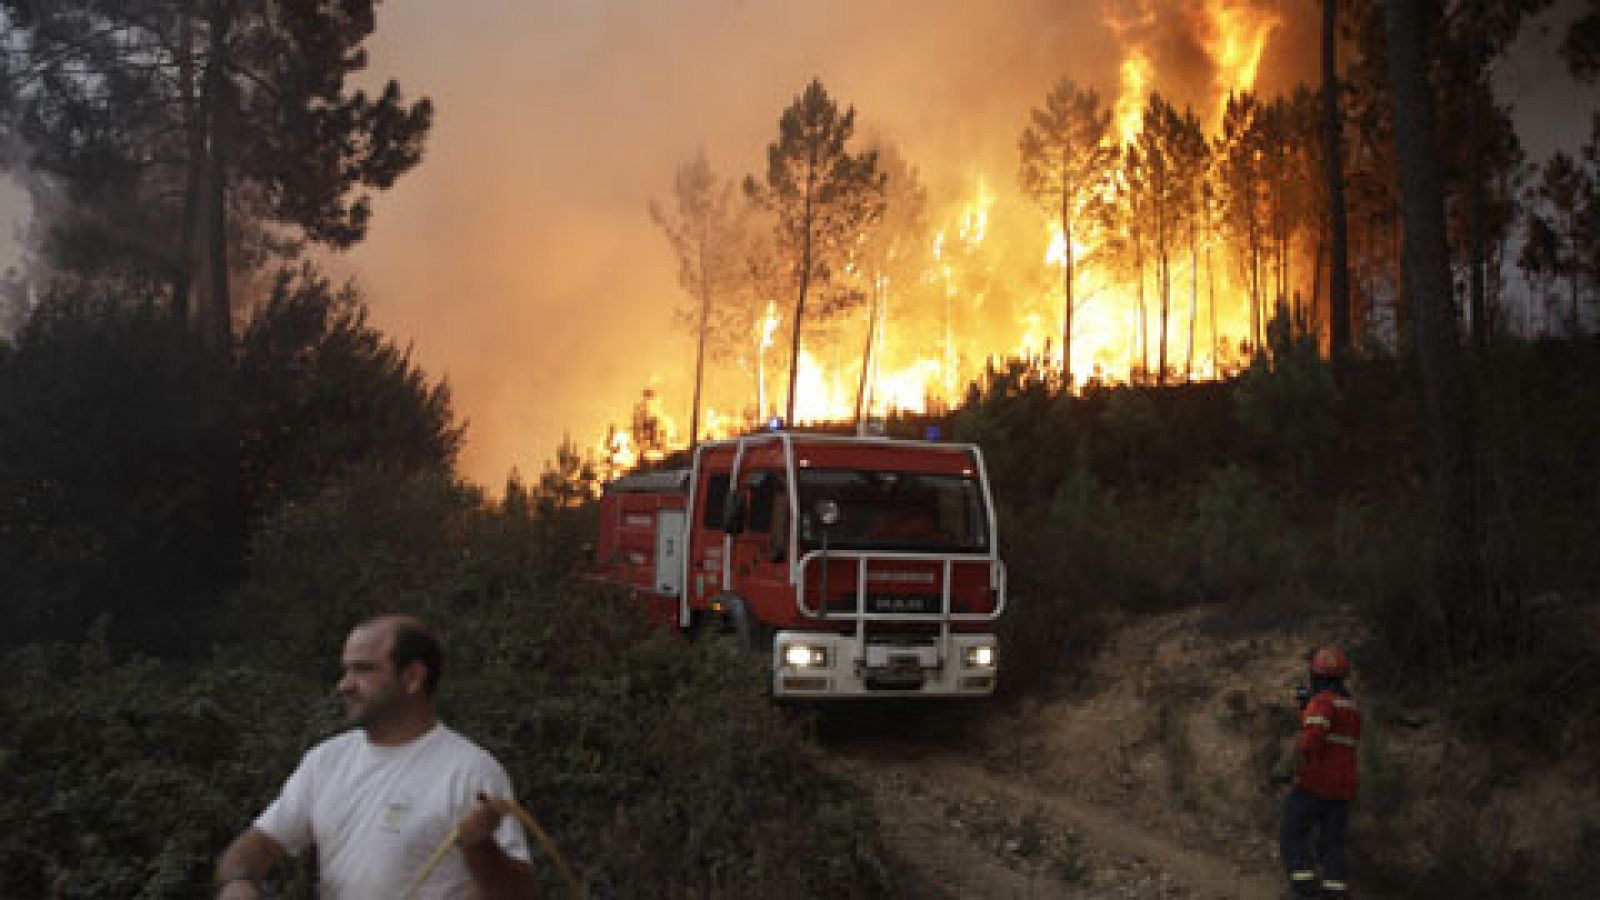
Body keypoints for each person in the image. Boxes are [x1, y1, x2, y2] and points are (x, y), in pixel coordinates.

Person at [214, 614, 536, 899]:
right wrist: (238, 882)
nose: (344, 685)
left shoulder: (471, 771)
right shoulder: (326, 761)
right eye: (345, 670)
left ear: (413, 678)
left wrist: (480, 845)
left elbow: (518, 894)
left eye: (364, 669)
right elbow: (261, 842)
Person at [1277, 645, 1361, 898]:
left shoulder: (1322, 702)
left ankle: (1304, 889)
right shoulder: (1352, 707)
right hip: (1344, 787)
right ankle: (1335, 892)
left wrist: (1286, 767)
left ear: (1318, 675)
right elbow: (1332, 731)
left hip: (1316, 782)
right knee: (1333, 843)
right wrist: (1307, 706)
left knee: (1292, 831)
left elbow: (1312, 737)